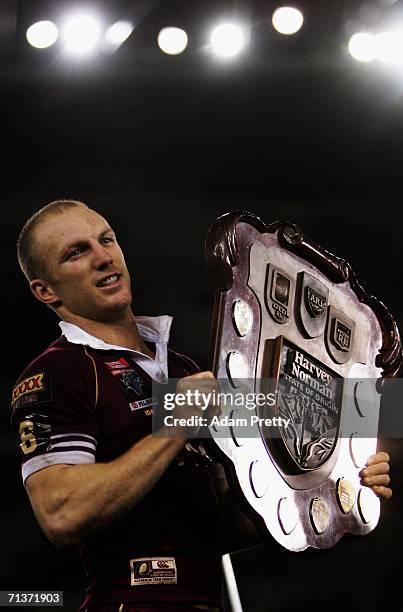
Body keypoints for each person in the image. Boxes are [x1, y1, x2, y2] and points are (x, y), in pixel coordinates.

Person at [10, 200, 392, 612]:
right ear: (45, 290)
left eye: (106, 240)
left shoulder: (181, 366)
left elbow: (227, 524)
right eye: (76, 252)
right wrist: (175, 424)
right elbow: (61, 515)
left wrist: (332, 481)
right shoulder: (59, 371)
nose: (102, 257)